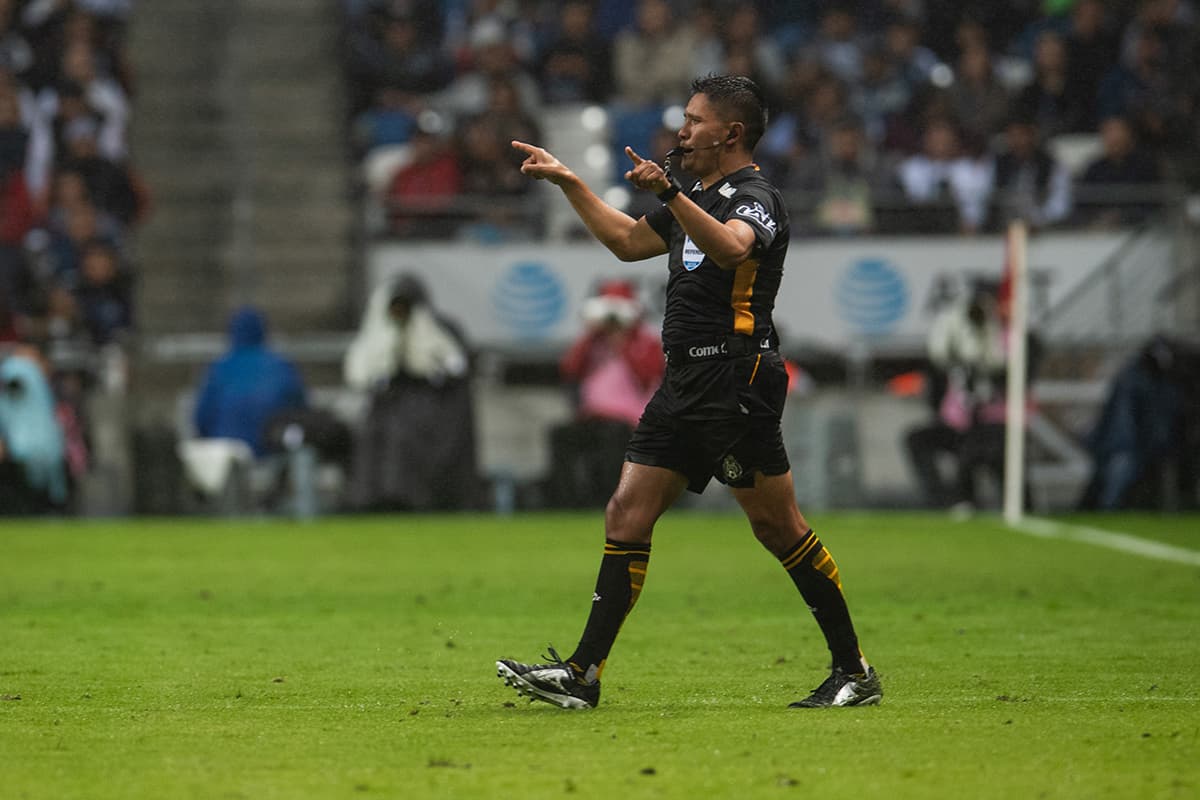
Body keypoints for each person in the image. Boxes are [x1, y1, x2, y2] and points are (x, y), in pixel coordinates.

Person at [497, 75, 881, 710]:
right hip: (683, 384)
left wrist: (671, 192)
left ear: (731, 133)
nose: (682, 129)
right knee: (626, 513)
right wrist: (570, 182)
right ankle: (583, 674)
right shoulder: (694, 197)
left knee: (777, 526)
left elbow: (732, 249)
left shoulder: (754, 196)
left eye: (696, 120)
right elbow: (625, 242)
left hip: (736, 379)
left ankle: (854, 670)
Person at [343, 273, 477, 511]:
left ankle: (410, 498)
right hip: (389, 407)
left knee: (403, 434)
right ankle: (374, 499)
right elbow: (364, 373)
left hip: (434, 409)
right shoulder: (382, 335)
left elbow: (453, 369)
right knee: (372, 433)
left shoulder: (441, 333)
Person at [546, 278, 663, 508]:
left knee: (612, 440)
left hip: (630, 420)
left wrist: (623, 342)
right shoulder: (593, 344)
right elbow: (569, 369)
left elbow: (647, 376)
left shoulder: (646, 343)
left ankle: (611, 499)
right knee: (560, 435)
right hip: (593, 416)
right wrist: (591, 334)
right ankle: (569, 501)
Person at [193, 306, 307, 457]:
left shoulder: (220, 367)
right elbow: (302, 408)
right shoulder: (281, 365)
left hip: (228, 453)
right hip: (272, 449)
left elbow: (201, 417)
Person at [0, 346, 68, 514]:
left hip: (33, 444)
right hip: (29, 445)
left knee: (41, 490)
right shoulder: (19, 369)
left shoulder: (33, 379)